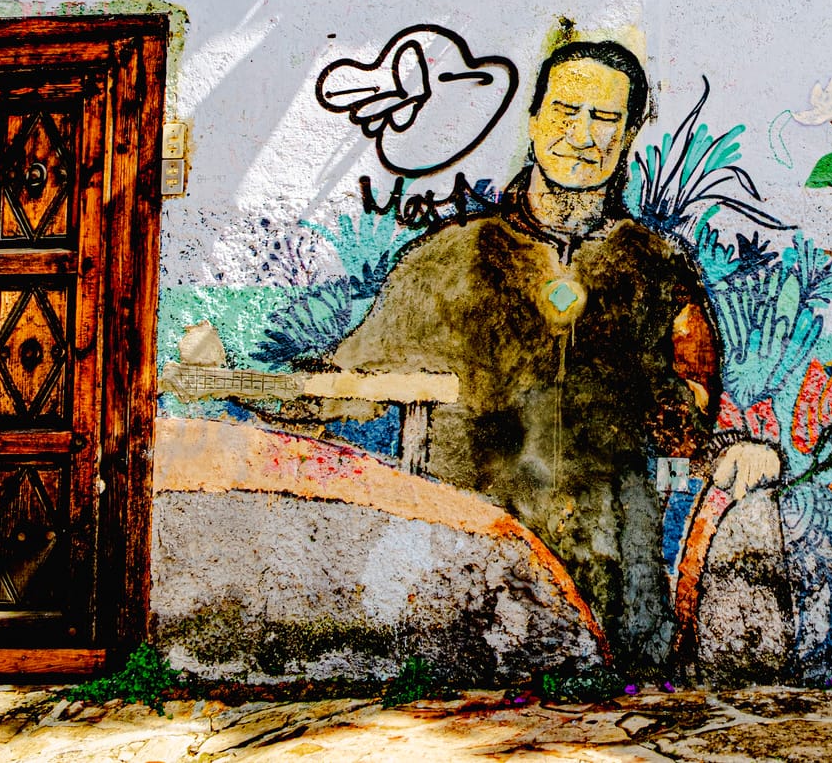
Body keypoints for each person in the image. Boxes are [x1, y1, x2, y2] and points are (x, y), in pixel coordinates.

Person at [328, 39, 774, 669]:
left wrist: (728, 453)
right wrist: (233, 382)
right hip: (469, 585)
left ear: (628, 136)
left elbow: (682, 414)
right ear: (533, 119)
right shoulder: (450, 259)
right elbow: (343, 386)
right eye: (566, 111)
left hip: (614, 594)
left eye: (605, 119)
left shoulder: (656, 269)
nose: (582, 135)